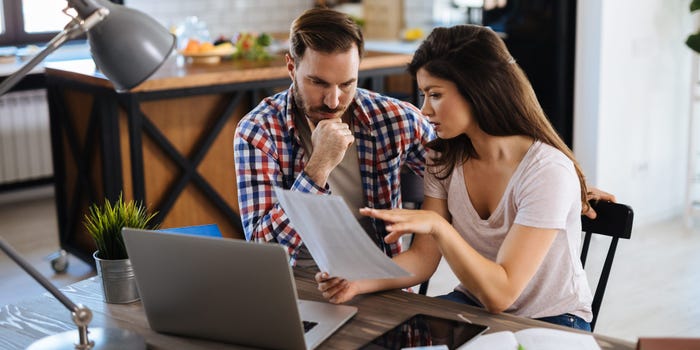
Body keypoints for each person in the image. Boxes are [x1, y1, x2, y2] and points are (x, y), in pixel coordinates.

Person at [315, 24, 615, 331]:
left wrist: (439, 227)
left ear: (478, 89)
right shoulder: (443, 157)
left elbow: (501, 294)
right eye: (423, 94)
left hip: (552, 321)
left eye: (435, 94)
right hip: (474, 305)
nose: (425, 109)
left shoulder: (546, 171)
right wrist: (356, 281)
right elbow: (422, 259)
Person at [233, 8, 435, 266]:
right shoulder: (258, 131)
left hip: (379, 282)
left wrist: (420, 253)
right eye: (318, 83)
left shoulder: (395, 119)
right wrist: (318, 168)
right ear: (291, 67)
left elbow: (459, 181)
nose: (333, 100)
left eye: (347, 84)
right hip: (295, 282)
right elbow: (264, 253)